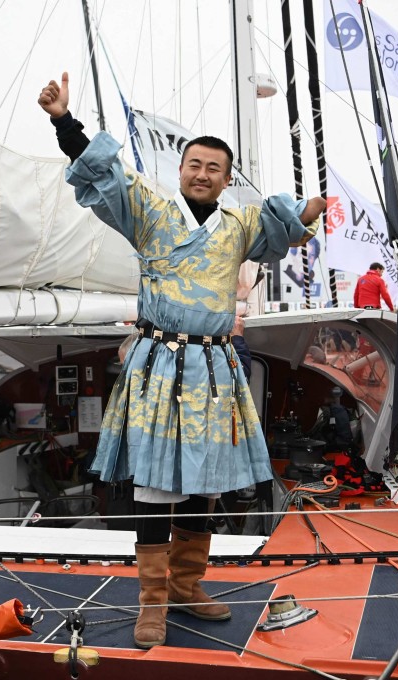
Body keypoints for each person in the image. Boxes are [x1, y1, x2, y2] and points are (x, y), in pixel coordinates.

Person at [39, 72, 322, 649]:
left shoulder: (241, 224)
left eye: (214, 168)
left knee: (204, 485)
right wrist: (65, 122)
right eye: (194, 164)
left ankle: (189, 586)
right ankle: (152, 602)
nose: (202, 173)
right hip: (158, 366)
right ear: (181, 168)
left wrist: (308, 213)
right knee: (152, 487)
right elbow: (103, 176)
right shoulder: (147, 210)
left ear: (226, 178)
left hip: (215, 370)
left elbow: (284, 226)